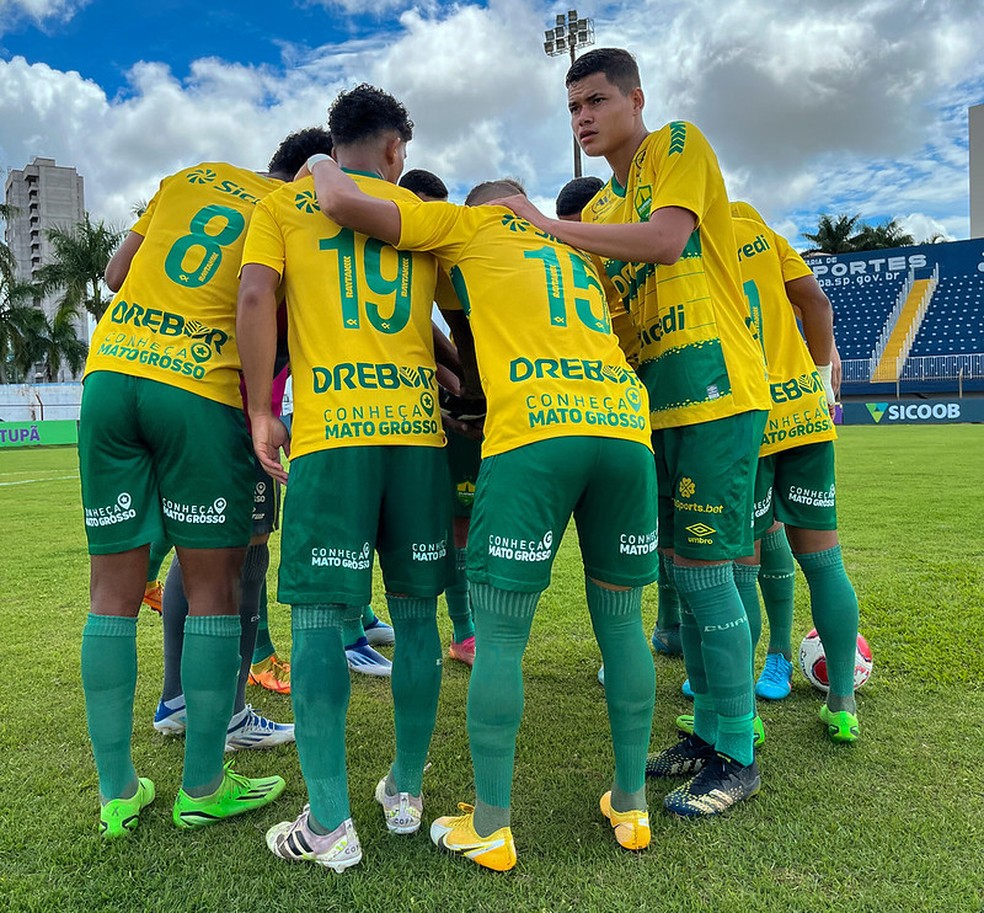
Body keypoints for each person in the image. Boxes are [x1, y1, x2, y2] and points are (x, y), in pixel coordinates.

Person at [308, 159, 660, 870]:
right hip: (625, 429)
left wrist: (320, 158)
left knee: (499, 641)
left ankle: (492, 825)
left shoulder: (468, 224)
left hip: (535, 432)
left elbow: (342, 202)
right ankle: (631, 804)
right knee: (623, 626)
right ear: (527, 203)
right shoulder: (575, 248)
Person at [495, 47, 771, 817]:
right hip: (657, 409)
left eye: (595, 101)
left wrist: (544, 223)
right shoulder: (604, 210)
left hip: (716, 392)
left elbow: (667, 240)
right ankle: (709, 731)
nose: (582, 117)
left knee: (710, 572)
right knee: (686, 574)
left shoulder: (676, 145)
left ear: (635, 98)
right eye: (573, 107)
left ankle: (738, 752)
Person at [78, 126, 333, 838]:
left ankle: (117, 790)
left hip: (111, 375)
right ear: (310, 176)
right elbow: (269, 306)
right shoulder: (291, 211)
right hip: (201, 388)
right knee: (217, 586)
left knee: (110, 593)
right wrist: (261, 408)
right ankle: (202, 785)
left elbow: (115, 272)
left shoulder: (191, 175)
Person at [238, 84, 449, 873]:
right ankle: (406, 790)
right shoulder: (418, 214)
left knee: (320, 622)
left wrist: (262, 410)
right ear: (396, 151)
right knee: (419, 617)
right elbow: (449, 319)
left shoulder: (287, 206)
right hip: (418, 439)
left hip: (334, 434)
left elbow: (256, 293)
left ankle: (329, 821)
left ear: (338, 140)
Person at [399, 167, 479, 666]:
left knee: (461, 521)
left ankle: (465, 631)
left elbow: (452, 327)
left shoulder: (443, 254)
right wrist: (452, 382)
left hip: (445, 410)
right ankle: (356, 627)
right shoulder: (384, 244)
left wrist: (465, 388)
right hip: (381, 407)